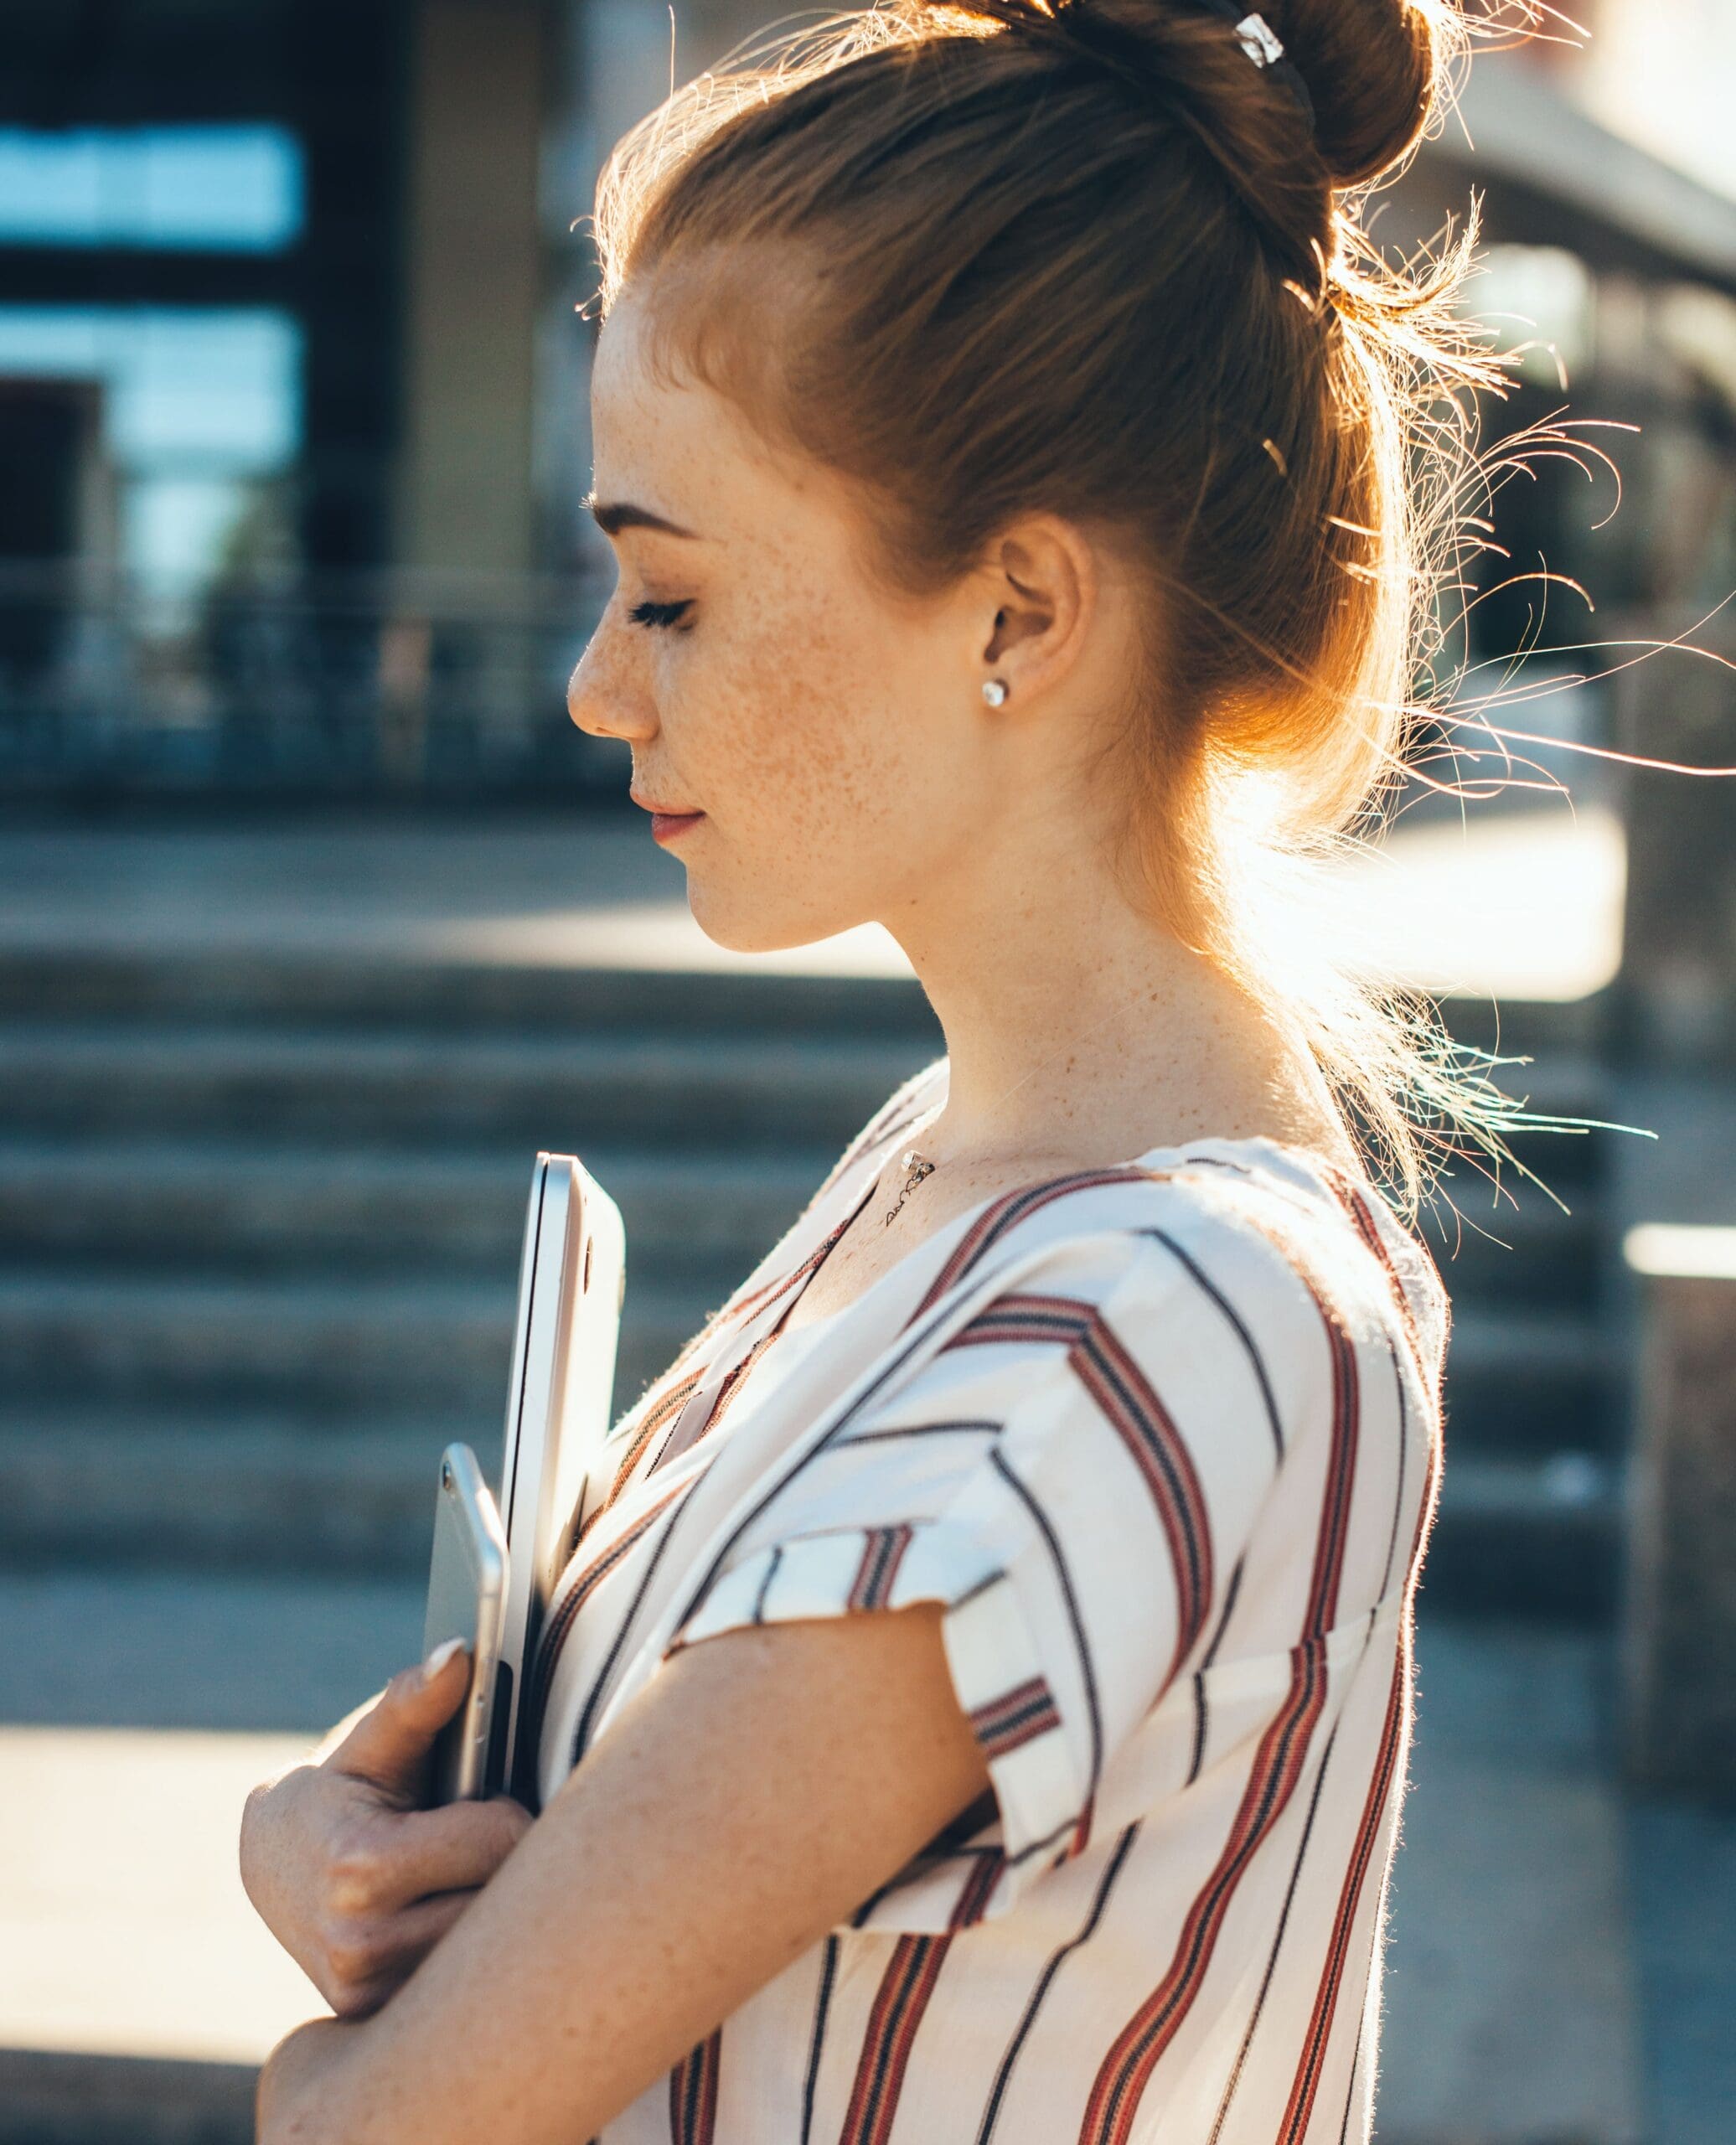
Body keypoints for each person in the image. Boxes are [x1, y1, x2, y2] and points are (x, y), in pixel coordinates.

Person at [240, 1, 1485, 2136]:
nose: (591, 688)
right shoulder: (954, 1170)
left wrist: (314, 2055)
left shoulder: (1137, 1321)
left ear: (1014, 608)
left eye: (669, 596)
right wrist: (329, 1843)